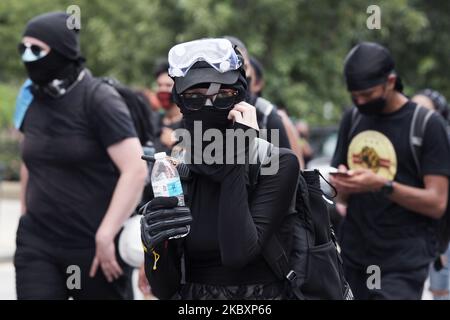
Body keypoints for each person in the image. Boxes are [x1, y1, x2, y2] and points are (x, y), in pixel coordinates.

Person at [140, 38, 300, 300]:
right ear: (180, 103)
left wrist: (234, 157)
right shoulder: (176, 168)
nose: (209, 106)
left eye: (223, 96)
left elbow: (238, 253)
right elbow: (164, 288)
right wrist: (154, 246)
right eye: (194, 97)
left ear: (242, 100)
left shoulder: (277, 162)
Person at [13, 12, 148, 300]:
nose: (27, 57)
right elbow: (30, 162)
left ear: (62, 50)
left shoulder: (99, 100)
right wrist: (26, 217)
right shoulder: (33, 98)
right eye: (22, 49)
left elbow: (135, 169)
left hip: (92, 246)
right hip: (37, 243)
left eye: (36, 49)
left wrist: (106, 233)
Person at [330, 42, 450, 300]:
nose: (361, 101)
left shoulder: (428, 125)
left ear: (391, 81)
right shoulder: (353, 118)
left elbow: (437, 202)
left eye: (368, 94)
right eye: (355, 96)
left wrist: (381, 185)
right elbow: (339, 196)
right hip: (354, 256)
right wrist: (340, 186)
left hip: (403, 262)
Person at [412, 89, 450, 300]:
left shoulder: (443, 141)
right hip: (407, 233)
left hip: (440, 231)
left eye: (424, 110)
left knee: (440, 287)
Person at [224, 36, 291, 150]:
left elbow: (282, 165)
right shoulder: (196, 111)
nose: (239, 73)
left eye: (243, 66)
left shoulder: (267, 115)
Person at [152, 61, 184, 154]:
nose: (162, 89)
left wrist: (176, 143)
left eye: (168, 85)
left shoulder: (190, 122)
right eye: (159, 85)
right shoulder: (154, 120)